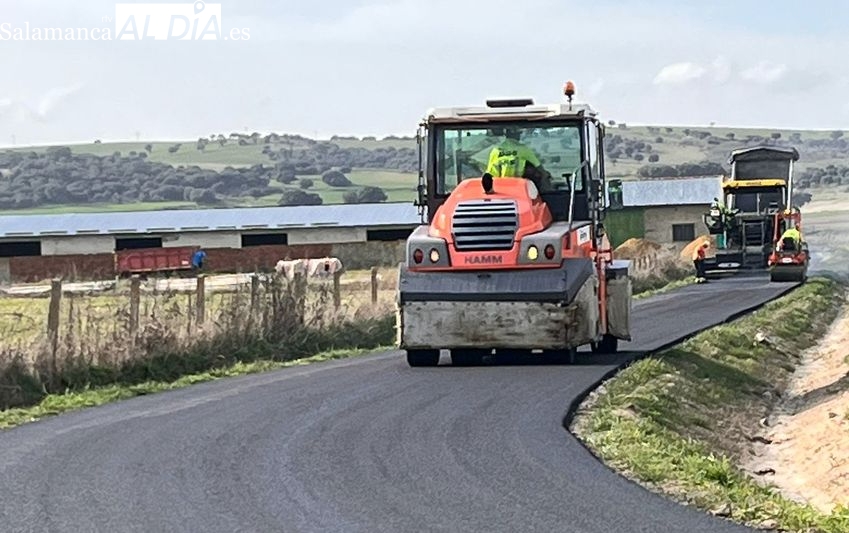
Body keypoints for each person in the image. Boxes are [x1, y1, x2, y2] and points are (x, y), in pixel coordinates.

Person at [485, 128, 552, 190]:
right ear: (516, 135)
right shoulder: (523, 149)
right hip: (518, 188)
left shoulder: (495, 151)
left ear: (506, 135)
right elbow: (539, 167)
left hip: (500, 189)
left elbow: (489, 174)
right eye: (519, 134)